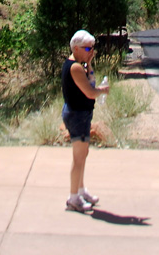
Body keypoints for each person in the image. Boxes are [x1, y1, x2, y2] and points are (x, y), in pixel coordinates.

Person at [61, 27, 107, 211]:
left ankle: (80, 190)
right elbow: (90, 91)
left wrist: (89, 62)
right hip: (77, 114)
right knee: (78, 157)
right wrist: (103, 91)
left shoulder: (82, 65)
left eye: (92, 49)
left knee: (83, 154)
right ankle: (73, 197)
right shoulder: (75, 67)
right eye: (87, 49)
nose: (91, 52)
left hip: (82, 113)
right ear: (76, 48)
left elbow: (91, 79)